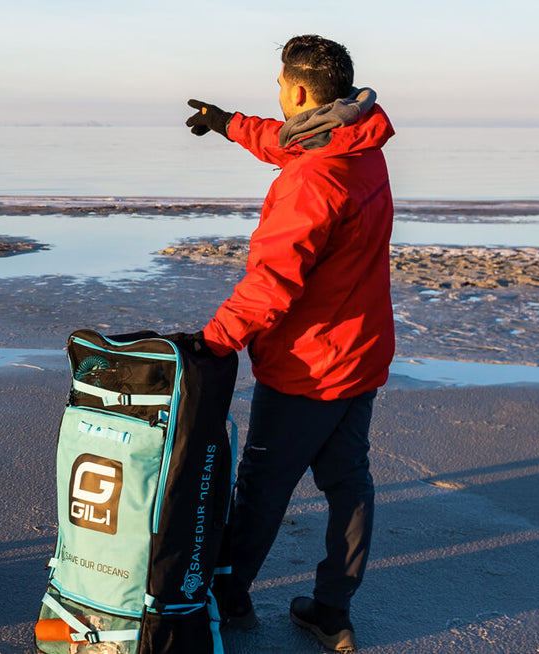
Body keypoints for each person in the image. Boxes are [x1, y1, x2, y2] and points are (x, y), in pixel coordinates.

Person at [183, 35, 394, 652]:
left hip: (309, 363)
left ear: (299, 91)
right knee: (348, 480)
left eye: (279, 84)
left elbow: (272, 281)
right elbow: (287, 142)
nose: (276, 93)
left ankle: (229, 597)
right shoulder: (359, 143)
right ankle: (332, 610)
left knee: (263, 484)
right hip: (361, 354)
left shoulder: (312, 181)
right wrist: (228, 124)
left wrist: (213, 342)